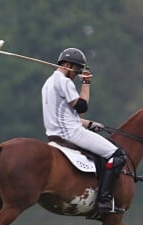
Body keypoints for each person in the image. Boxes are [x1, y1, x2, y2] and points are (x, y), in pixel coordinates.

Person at [41, 48, 126, 213]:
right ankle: (104, 201)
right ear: (66, 64)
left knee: (103, 153)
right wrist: (86, 83)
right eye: (76, 69)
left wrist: (89, 124)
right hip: (71, 134)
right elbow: (81, 107)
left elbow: (65, 115)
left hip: (56, 133)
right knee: (117, 154)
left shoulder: (49, 83)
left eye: (80, 70)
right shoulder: (64, 82)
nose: (77, 74)